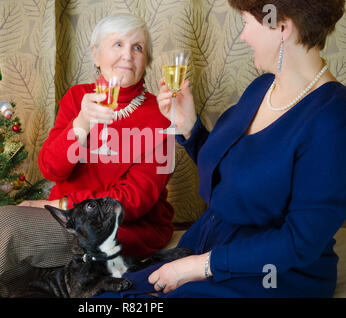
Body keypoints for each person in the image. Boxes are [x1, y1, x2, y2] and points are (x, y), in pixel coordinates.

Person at [0, 13, 174, 297]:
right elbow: (51, 169)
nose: (128, 54)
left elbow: (133, 202)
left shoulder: (161, 117)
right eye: (117, 44)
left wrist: (56, 203)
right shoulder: (77, 98)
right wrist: (80, 126)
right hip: (64, 220)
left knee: (6, 223)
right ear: (96, 54)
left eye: (137, 47)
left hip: (115, 232)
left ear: (147, 60)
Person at [98, 0, 346, 298]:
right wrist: (190, 128)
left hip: (272, 275)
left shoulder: (333, 117)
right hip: (210, 245)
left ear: (281, 27)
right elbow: (232, 178)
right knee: (105, 297)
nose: (243, 36)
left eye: (246, 22)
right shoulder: (262, 87)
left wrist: (198, 267)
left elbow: (299, 242)